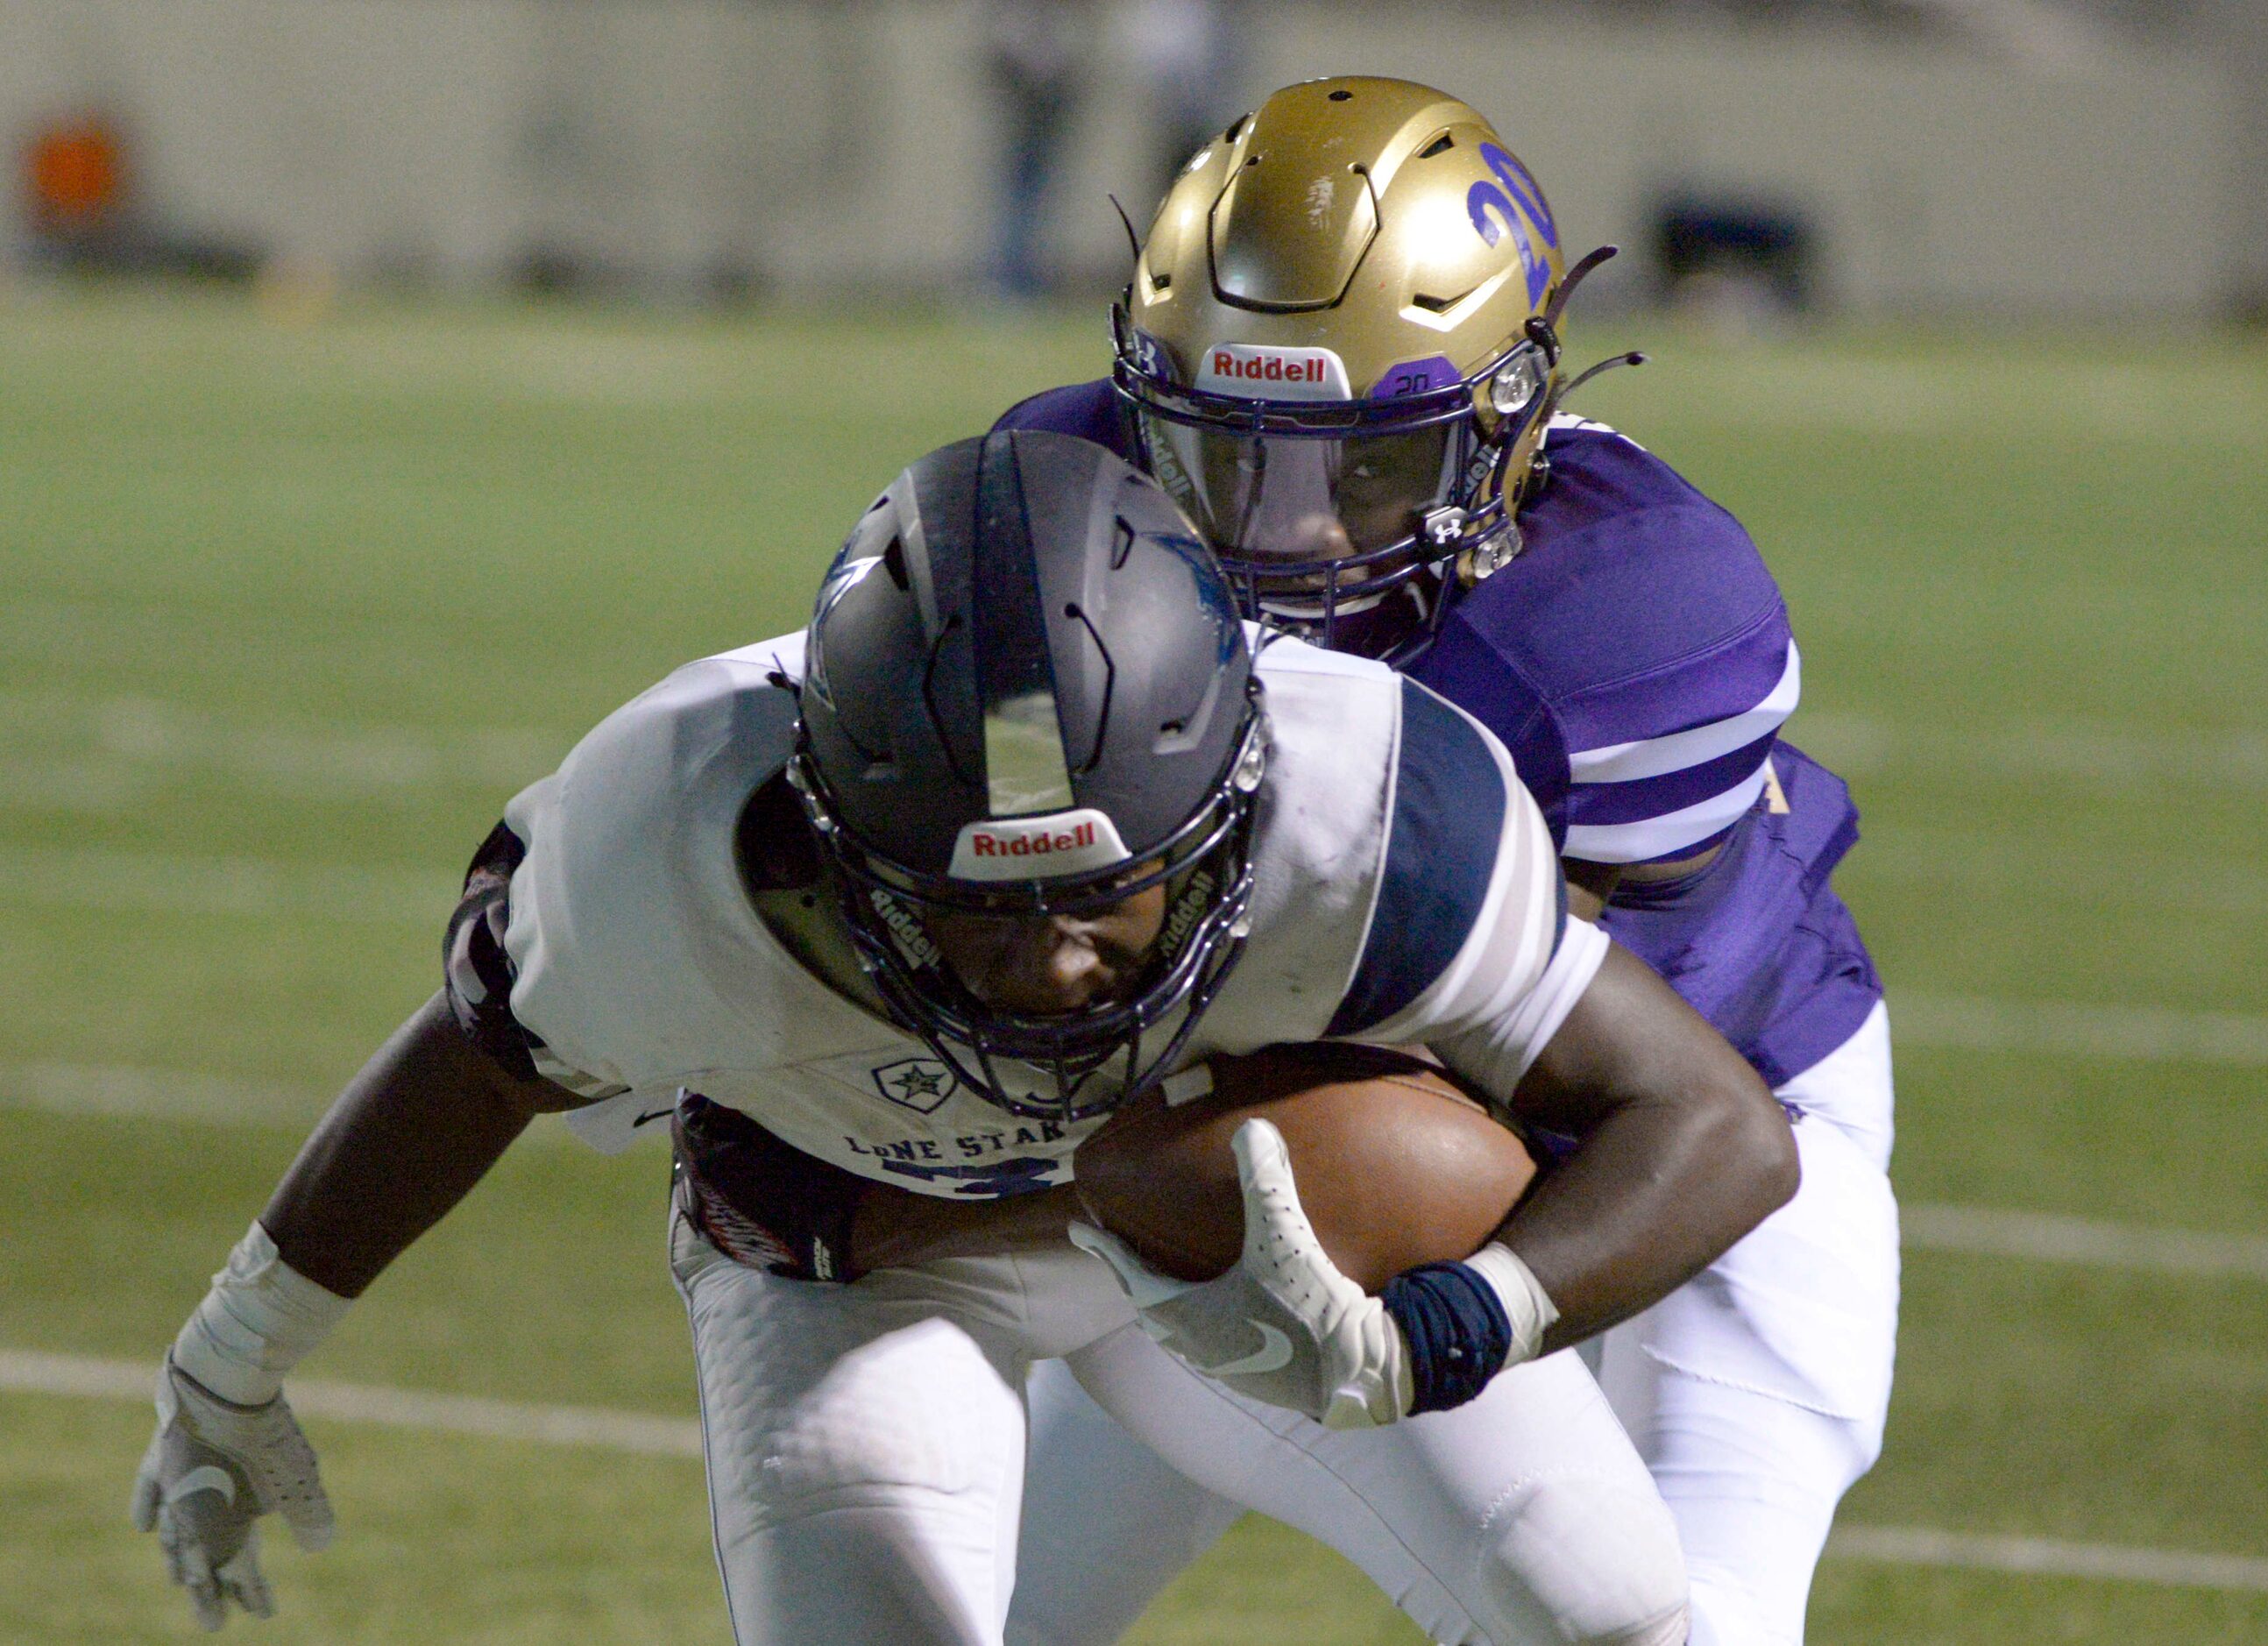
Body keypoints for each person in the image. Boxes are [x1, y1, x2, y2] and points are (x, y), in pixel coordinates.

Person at [131, 431, 1793, 1644]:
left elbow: (1713, 1124)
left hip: (1264, 1248)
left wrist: (1446, 1326)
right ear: (836, 833)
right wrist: (227, 1361)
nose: (1052, 966)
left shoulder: (1377, 815)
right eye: (973, 906)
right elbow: (472, 1066)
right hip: (864, 1263)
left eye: (1107, 893)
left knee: (1619, 1616)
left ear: (1228, 808)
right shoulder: (673, 849)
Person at [994, 77, 1898, 1646]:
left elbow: (1621, 1101)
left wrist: (1447, 1319)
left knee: (1684, 1626)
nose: (1287, 538)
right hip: (1262, 1128)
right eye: (1224, 455)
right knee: (972, 1609)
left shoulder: (1630, 615)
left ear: (1511, 421)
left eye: (1361, 468)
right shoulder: (1056, 511)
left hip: (1685, 1125)